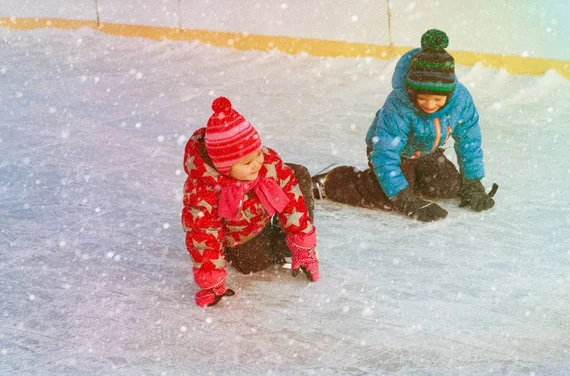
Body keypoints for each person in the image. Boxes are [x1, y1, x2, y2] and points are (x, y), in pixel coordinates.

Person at [312, 29, 496, 222]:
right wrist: (404, 199)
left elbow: (469, 140)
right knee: (389, 198)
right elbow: (384, 154)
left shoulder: (460, 101)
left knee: (448, 186)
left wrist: (473, 182)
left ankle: (408, 179)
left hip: (425, 152)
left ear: (449, 94)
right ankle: (331, 182)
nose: (430, 105)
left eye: (437, 99)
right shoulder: (399, 106)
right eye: (422, 98)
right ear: (412, 90)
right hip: (394, 153)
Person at [182, 96, 319, 307]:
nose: (257, 164)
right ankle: (256, 246)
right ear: (224, 167)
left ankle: (284, 236)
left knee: (296, 175)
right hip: (238, 234)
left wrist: (303, 247)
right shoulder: (204, 194)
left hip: (260, 210)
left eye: (257, 153)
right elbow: (204, 237)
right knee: (253, 263)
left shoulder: (267, 163)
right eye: (247, 162)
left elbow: (293, 201)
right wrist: (211, 283)